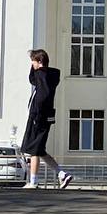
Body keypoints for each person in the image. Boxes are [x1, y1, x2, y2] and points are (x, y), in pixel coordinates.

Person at [21, 49, 72, 190]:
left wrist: (37, 113)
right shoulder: (51, 75)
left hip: (38, 115)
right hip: (47, 116)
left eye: (33, 61)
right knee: (40, 149)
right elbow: (33, 80)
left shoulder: (41, 75)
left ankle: (33, 181)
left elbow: (40, 93)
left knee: (34, 149)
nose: (32, 64)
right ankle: (62, 174)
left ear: (39, 62)